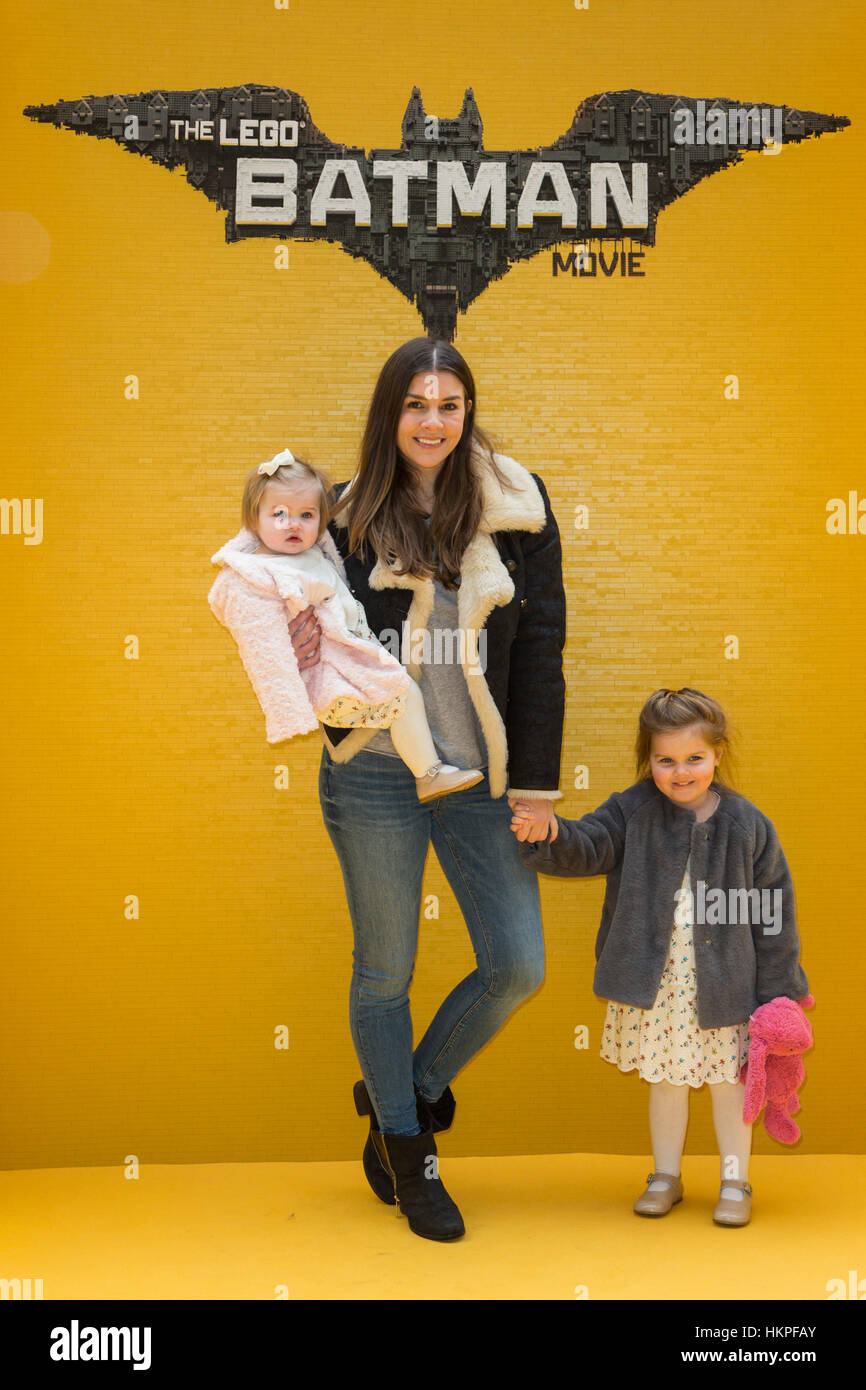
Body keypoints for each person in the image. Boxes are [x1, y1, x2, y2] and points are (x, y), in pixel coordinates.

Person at [288, 336, 566, 1241]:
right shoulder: (340, 516)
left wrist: (534, 786)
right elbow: (290, 623)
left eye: (448, 405)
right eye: (416, 404)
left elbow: (542, 652)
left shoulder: (518, 508)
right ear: (390, 413)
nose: (433, 421)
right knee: (386, 971)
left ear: (467, 413)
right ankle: (412, 1157)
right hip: (374, 773)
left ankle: (404, 1090)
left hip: (479, 776)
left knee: (517, 964)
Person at [513, 687, 809, 1228]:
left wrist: (779, 994)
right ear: (647, 760)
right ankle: (666, 1176)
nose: (680, 772)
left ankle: (734, 1181)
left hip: (726, 986)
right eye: (665, 760)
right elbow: (588, 843)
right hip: (657, 983)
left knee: (730, 1086)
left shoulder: (747, 826)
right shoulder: (631, 810)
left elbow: (774, 916)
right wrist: (549, 831)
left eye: (694, 758)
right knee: (666, 1080)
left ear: (718, 754)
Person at [208, 448, 482, 802]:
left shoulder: (309, 553)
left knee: (403, 695)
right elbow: (264, 649)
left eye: (306, 514)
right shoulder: (258, 576)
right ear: (253, 520)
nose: (293, 523)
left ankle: (427, 772)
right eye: (278, 514)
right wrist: (288, 707)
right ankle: (428, 774)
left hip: (352, 661)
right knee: (403, 696)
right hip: (331, 679)